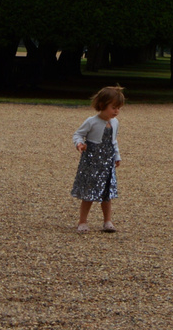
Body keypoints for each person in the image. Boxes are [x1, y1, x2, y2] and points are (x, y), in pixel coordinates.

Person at [71, 85, 124, 233]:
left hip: (107, 161)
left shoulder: (115, 123)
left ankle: (107, 221)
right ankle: (82, 221)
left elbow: (114, 141)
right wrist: (79, 144)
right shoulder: (91, 121)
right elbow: (77, 134)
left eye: (118, 108)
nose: (116, 111)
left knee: (107, 192)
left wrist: (117, 156)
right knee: (89, 191)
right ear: (102, 105)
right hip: (92, 161)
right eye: (113, 107)